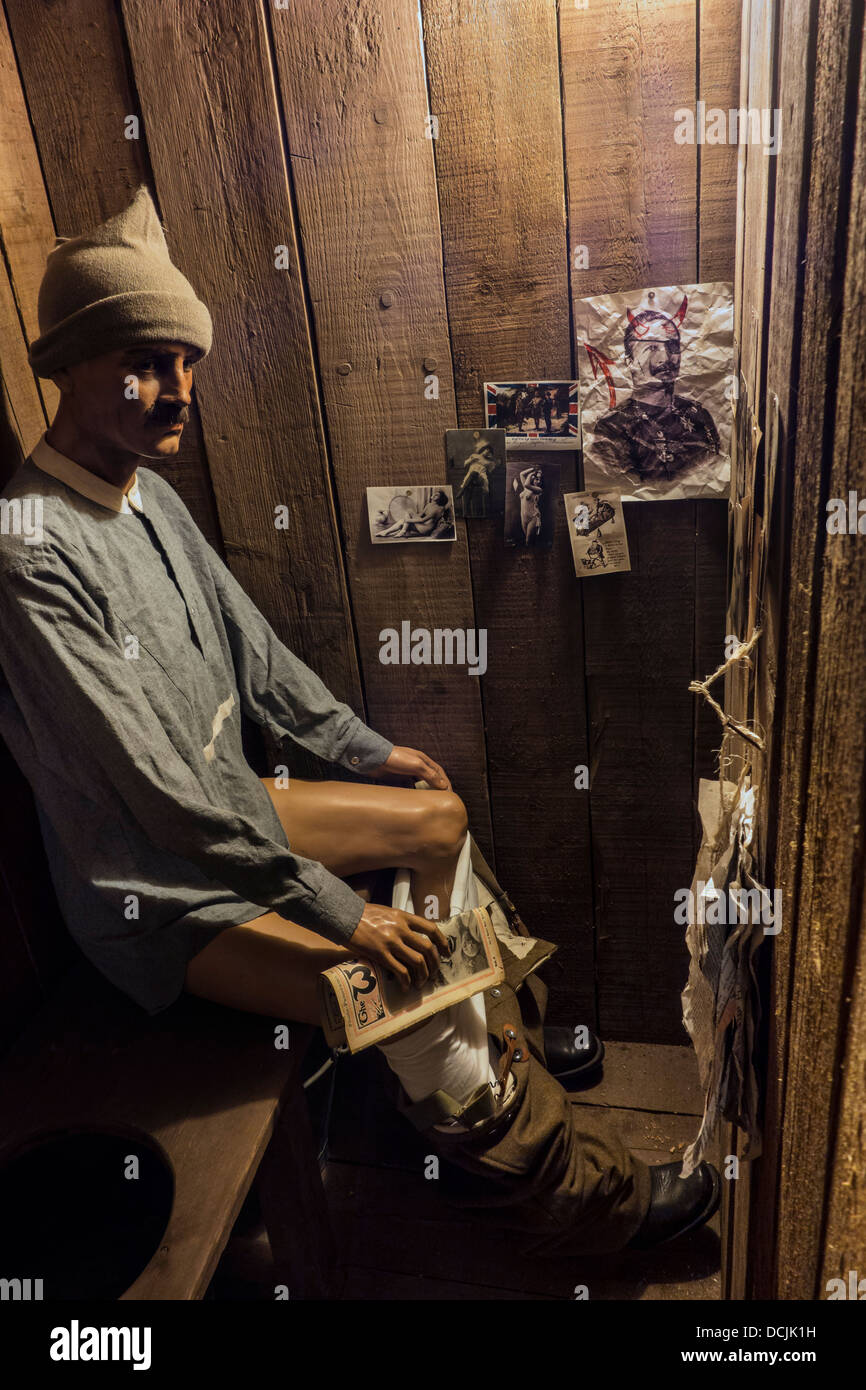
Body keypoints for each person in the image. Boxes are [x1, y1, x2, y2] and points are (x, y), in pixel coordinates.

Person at [0, 186, 719, 1259]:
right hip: (154, 886)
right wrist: (343, 915)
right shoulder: (31, 549)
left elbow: (253, 652)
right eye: (145, 361)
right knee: (392, 976)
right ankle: (562, 1189)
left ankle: (480, 1055)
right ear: (70, 364)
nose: (176, 391)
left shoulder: (141, 490)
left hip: (230, 813)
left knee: (434, 816)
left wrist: (361, 748)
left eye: (188, 361)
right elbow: (157, 793)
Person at [593, 298, 721, 482]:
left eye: (673, 346)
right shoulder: (612, 427)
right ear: (629, 361)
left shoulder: (698, 415)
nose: (666, 358)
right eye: (652, 347)